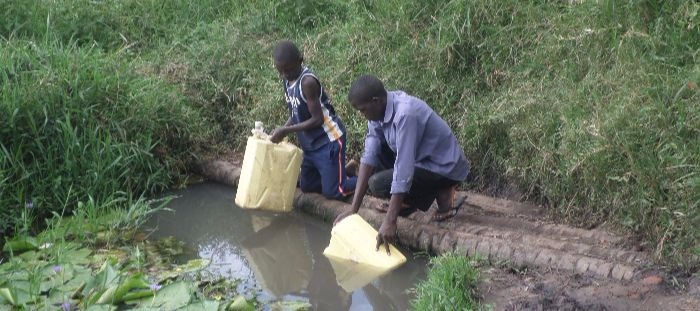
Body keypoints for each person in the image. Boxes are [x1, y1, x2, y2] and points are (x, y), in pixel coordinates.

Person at [334, 74, 470, 253]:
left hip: (443, 167)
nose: (362, 115)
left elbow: (403, 169)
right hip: (419, 159)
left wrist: (390, 220)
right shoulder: (379, 113)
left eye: (363, 110)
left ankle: (443, 189)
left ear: (376, 101)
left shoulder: (405, 114)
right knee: (377, 158)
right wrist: (353, 209)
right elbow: (370, 155)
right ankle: (406, 200)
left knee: (377, 183)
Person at [269, 40, 356, 200]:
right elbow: (296, 112)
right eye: (280, 71)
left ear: (300, 61)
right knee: (307, 186)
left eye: (287, 70)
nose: (284, 74)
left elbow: (317, 119)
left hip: (328, 141)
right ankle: (343, 171)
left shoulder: (307, 83)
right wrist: (281, 129)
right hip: (311, 145)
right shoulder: (287, 81)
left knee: (335, 192)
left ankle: (366, 177)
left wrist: (286, 131)